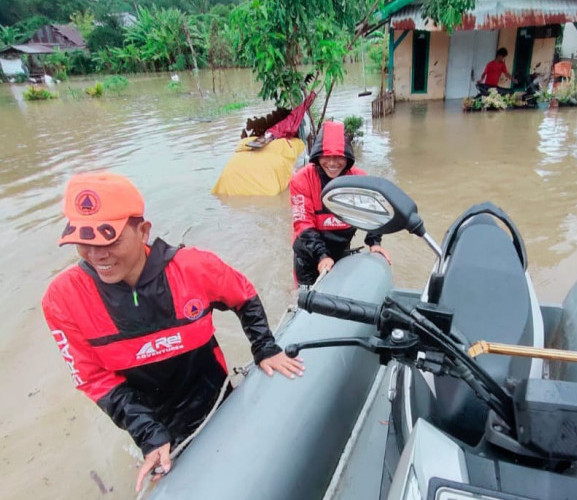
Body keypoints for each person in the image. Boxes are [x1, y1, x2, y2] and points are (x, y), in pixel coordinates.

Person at [41, 172, 304, 492]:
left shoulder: (193, 267)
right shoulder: (62, 299)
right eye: (85, 241)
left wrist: (265, 347)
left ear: (143, 231)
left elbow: (243, 294)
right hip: (156, 426)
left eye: (109, 240)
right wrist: (148, 434)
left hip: (217, 402)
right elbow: (93, 379)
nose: (97, 255)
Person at [290, 120, 391, 286]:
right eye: (326, 156)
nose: (331, 163)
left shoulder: (360, 179)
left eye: (338, 157)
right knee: (303, 299)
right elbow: (303, 224)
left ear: (347, 157)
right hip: (308, 254)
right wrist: (322, 256)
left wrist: (375, 242)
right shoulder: (301, 180)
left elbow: (375, 212)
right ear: (317, 155)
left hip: (340, 250)